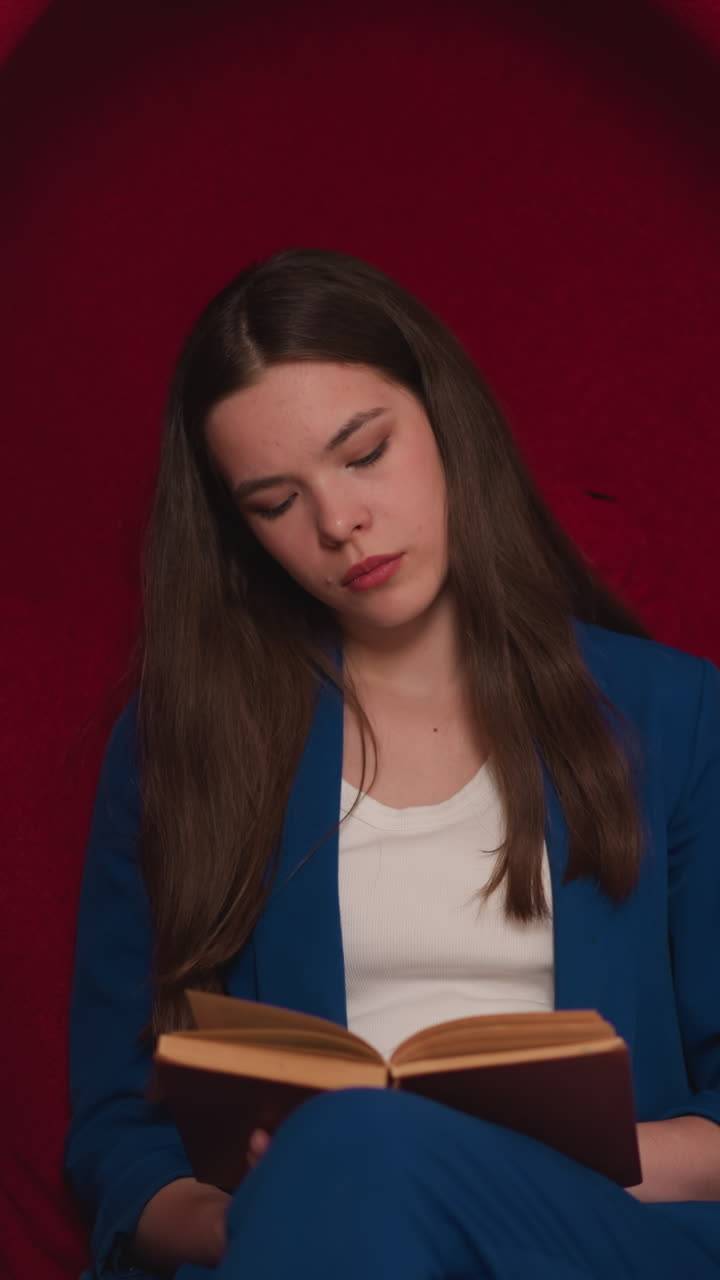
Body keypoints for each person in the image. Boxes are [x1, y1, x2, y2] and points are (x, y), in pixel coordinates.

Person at [66, 248, 720, 1280]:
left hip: (597, 1236)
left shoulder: (675, 714)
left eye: (365, 452)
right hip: (303, 1246)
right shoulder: (176, 744)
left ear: (444, 418)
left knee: (364, 1142)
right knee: (348, 1158)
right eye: (275, 502)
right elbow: (119, 1137)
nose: (338, 524)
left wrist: (448, 1161)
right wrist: (276, 1209)